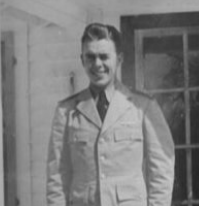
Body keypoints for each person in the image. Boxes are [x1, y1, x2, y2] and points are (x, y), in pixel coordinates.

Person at [46, 23, 175, 206]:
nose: (97, 64)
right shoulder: (66, 112)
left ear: (119, 59)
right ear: (82, 60)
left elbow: (162, 170)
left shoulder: (143, 107)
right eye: (90, 57)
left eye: (104, 57)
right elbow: (57, 176)